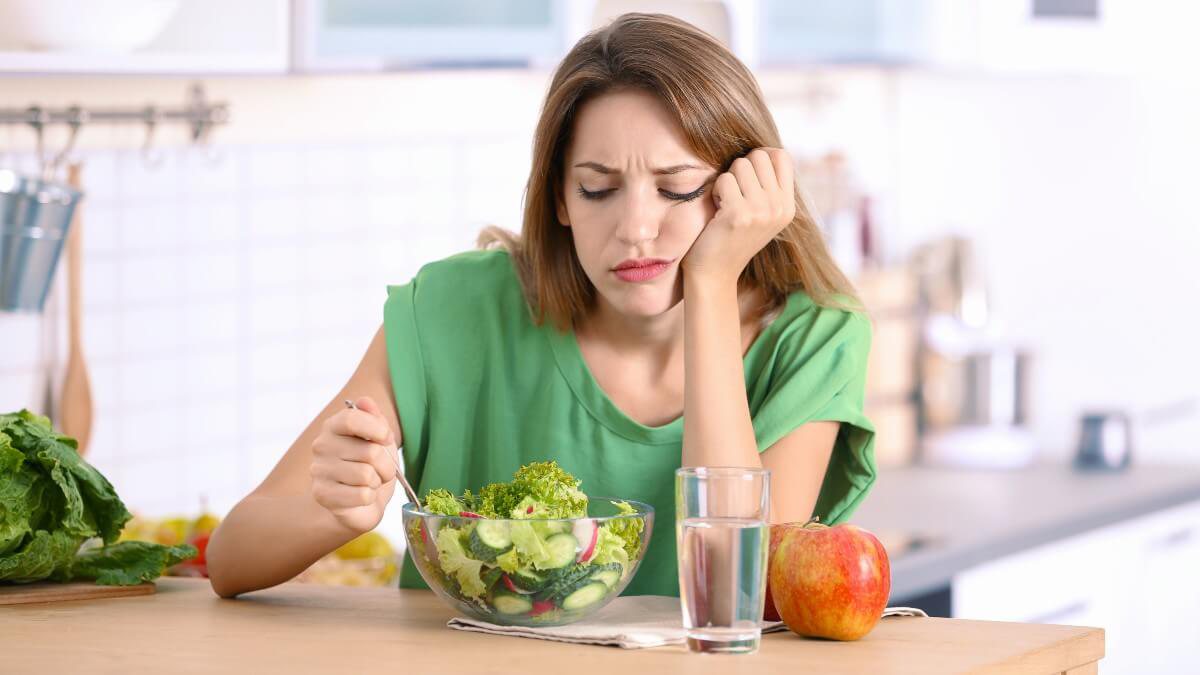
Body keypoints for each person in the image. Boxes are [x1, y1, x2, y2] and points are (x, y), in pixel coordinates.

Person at [207, 12, 875, 599]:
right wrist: (335, 511)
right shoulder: (456, 310)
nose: (635, 228)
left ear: (742, 189)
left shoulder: (816, 337)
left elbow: (736, 584)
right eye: (596, 188)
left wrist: (709, 283)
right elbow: (231, 556)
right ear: (558, 199)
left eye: (676, 188)